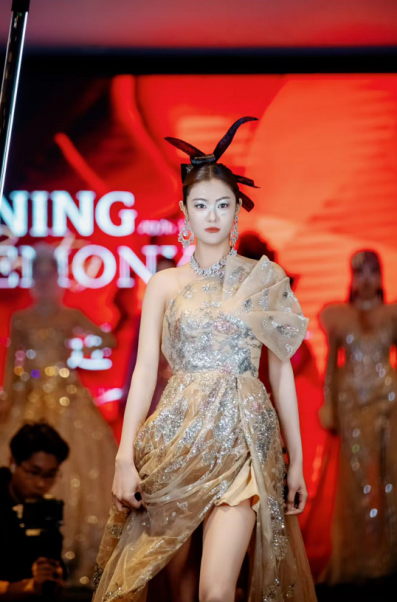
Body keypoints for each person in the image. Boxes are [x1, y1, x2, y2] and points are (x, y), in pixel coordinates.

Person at [93, 117, 316, 602]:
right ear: (184, 212)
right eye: (200, 205)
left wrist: (296, 461)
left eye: (222, 204)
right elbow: (144, 373)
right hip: (178, 438)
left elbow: (280, 373)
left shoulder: (264, 279)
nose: (211, 215)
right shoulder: (164, 284)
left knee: (216, 591)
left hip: (245, 440)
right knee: (164, 582)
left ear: (237, 210)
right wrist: (124, 456)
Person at [0, 244, 118, 586]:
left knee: (79, 466)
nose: (43, 280)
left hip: (67, 397)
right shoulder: (22, 319)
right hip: (30, 396)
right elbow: (11, 362)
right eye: (38, 274)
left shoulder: (70, 316)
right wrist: (7, 398)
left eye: (48, 273)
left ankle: (74, 554)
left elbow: (108, 340)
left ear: (56, 277)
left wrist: (79, 355)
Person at [318, 249, 397, 583]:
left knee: (389, 476)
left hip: (388, 404)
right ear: (352, 277)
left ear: (381, 276)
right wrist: (329, 406)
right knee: (354, 482)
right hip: (351, 405)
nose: (366, 280)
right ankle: (355, 557)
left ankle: (389, 556)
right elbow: (330, 367)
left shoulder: (393, 315)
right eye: (360, 272)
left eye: (373, 272)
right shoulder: (339, 317)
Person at [0, 422, 69, 599]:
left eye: (50, 475)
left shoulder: (45, 508)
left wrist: (54, 575)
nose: (41, 484)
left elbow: (54, 561)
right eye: (34, 472)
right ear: (13, 462)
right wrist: (23, 588)